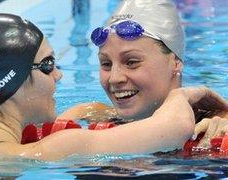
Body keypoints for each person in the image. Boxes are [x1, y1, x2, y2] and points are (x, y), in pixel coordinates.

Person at [0, 13, 223, 161]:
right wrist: (188, 93)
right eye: (47, 66)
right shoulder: (47, 150)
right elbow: (176, 126)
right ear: (12, 83)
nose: (58, 75)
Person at [59, 0, 228, 148]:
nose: (115, 78)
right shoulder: (88, 115)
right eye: (106, 64)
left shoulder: (216, 126)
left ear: (175, 62)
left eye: (132, 62)